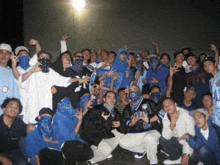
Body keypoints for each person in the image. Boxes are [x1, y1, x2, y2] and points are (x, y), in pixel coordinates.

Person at [20, 50, 89, 123]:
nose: (44, 59)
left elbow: (63, 80)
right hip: (33, 104)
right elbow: (21, 80)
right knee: (32, 124)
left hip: (46, 105)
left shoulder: (50, 72)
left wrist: (79, 79)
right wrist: (31, 71)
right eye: (42, 57)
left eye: (47, 57)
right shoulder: (31, 69)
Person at [119, 85, 161, 165]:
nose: (132, 92)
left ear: (139, 92)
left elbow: (162, 112)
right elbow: (126, 121)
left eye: (135, 89)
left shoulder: (148, 102)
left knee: (149, 138)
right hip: (137, 131)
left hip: (152, 129)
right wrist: (131, 123)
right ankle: (142, 149)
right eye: (130, 90)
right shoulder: (127, 108)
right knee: (122, 142)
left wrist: (149, 120)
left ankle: (153, 161)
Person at [81, 91, 126, 165]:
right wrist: (102, 119)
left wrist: (119, 125)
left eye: (114, 97)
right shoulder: (96, 109)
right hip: (93, 136)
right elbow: (87, 126)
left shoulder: (114, 111)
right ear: (104, 99)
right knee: (107, 149)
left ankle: (104, 153)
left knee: (121, 133)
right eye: (109, 97)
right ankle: (92, 160)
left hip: (105, 134)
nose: (112, 99)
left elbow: (123, 126)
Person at [159, 98, 195, 165]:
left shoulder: (186, 115)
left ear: (175, 104)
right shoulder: (166, 116)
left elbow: (191, 136)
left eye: (170, 104)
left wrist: (186, 154)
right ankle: (176, 158)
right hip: (178, 141)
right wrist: (172, 123)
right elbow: (166, 136)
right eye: (165, 106)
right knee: (162, 140)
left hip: (189, 143)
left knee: (192, 160)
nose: (168, 107)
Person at [0, 98, 28, 165]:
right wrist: (2, 159)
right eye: (10, 106)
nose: (13, 109)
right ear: (4, 109)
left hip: (13, 153)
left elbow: (27, 129)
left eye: (16, 107)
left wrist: (30, 126)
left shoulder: (19, 124)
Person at [0, 43, 20, 115]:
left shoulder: (13, 73)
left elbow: (16, 95)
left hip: (7, 115)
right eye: (1, 52)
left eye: (7, 53)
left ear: (11, 56)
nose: (4, 55)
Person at [203, 56, 220, 127]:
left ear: (215, 64)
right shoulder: (211, 81)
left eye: (209, 64)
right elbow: (216, 98)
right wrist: (211, 107)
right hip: (217, 113)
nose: (207, 67)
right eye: (205, 66)